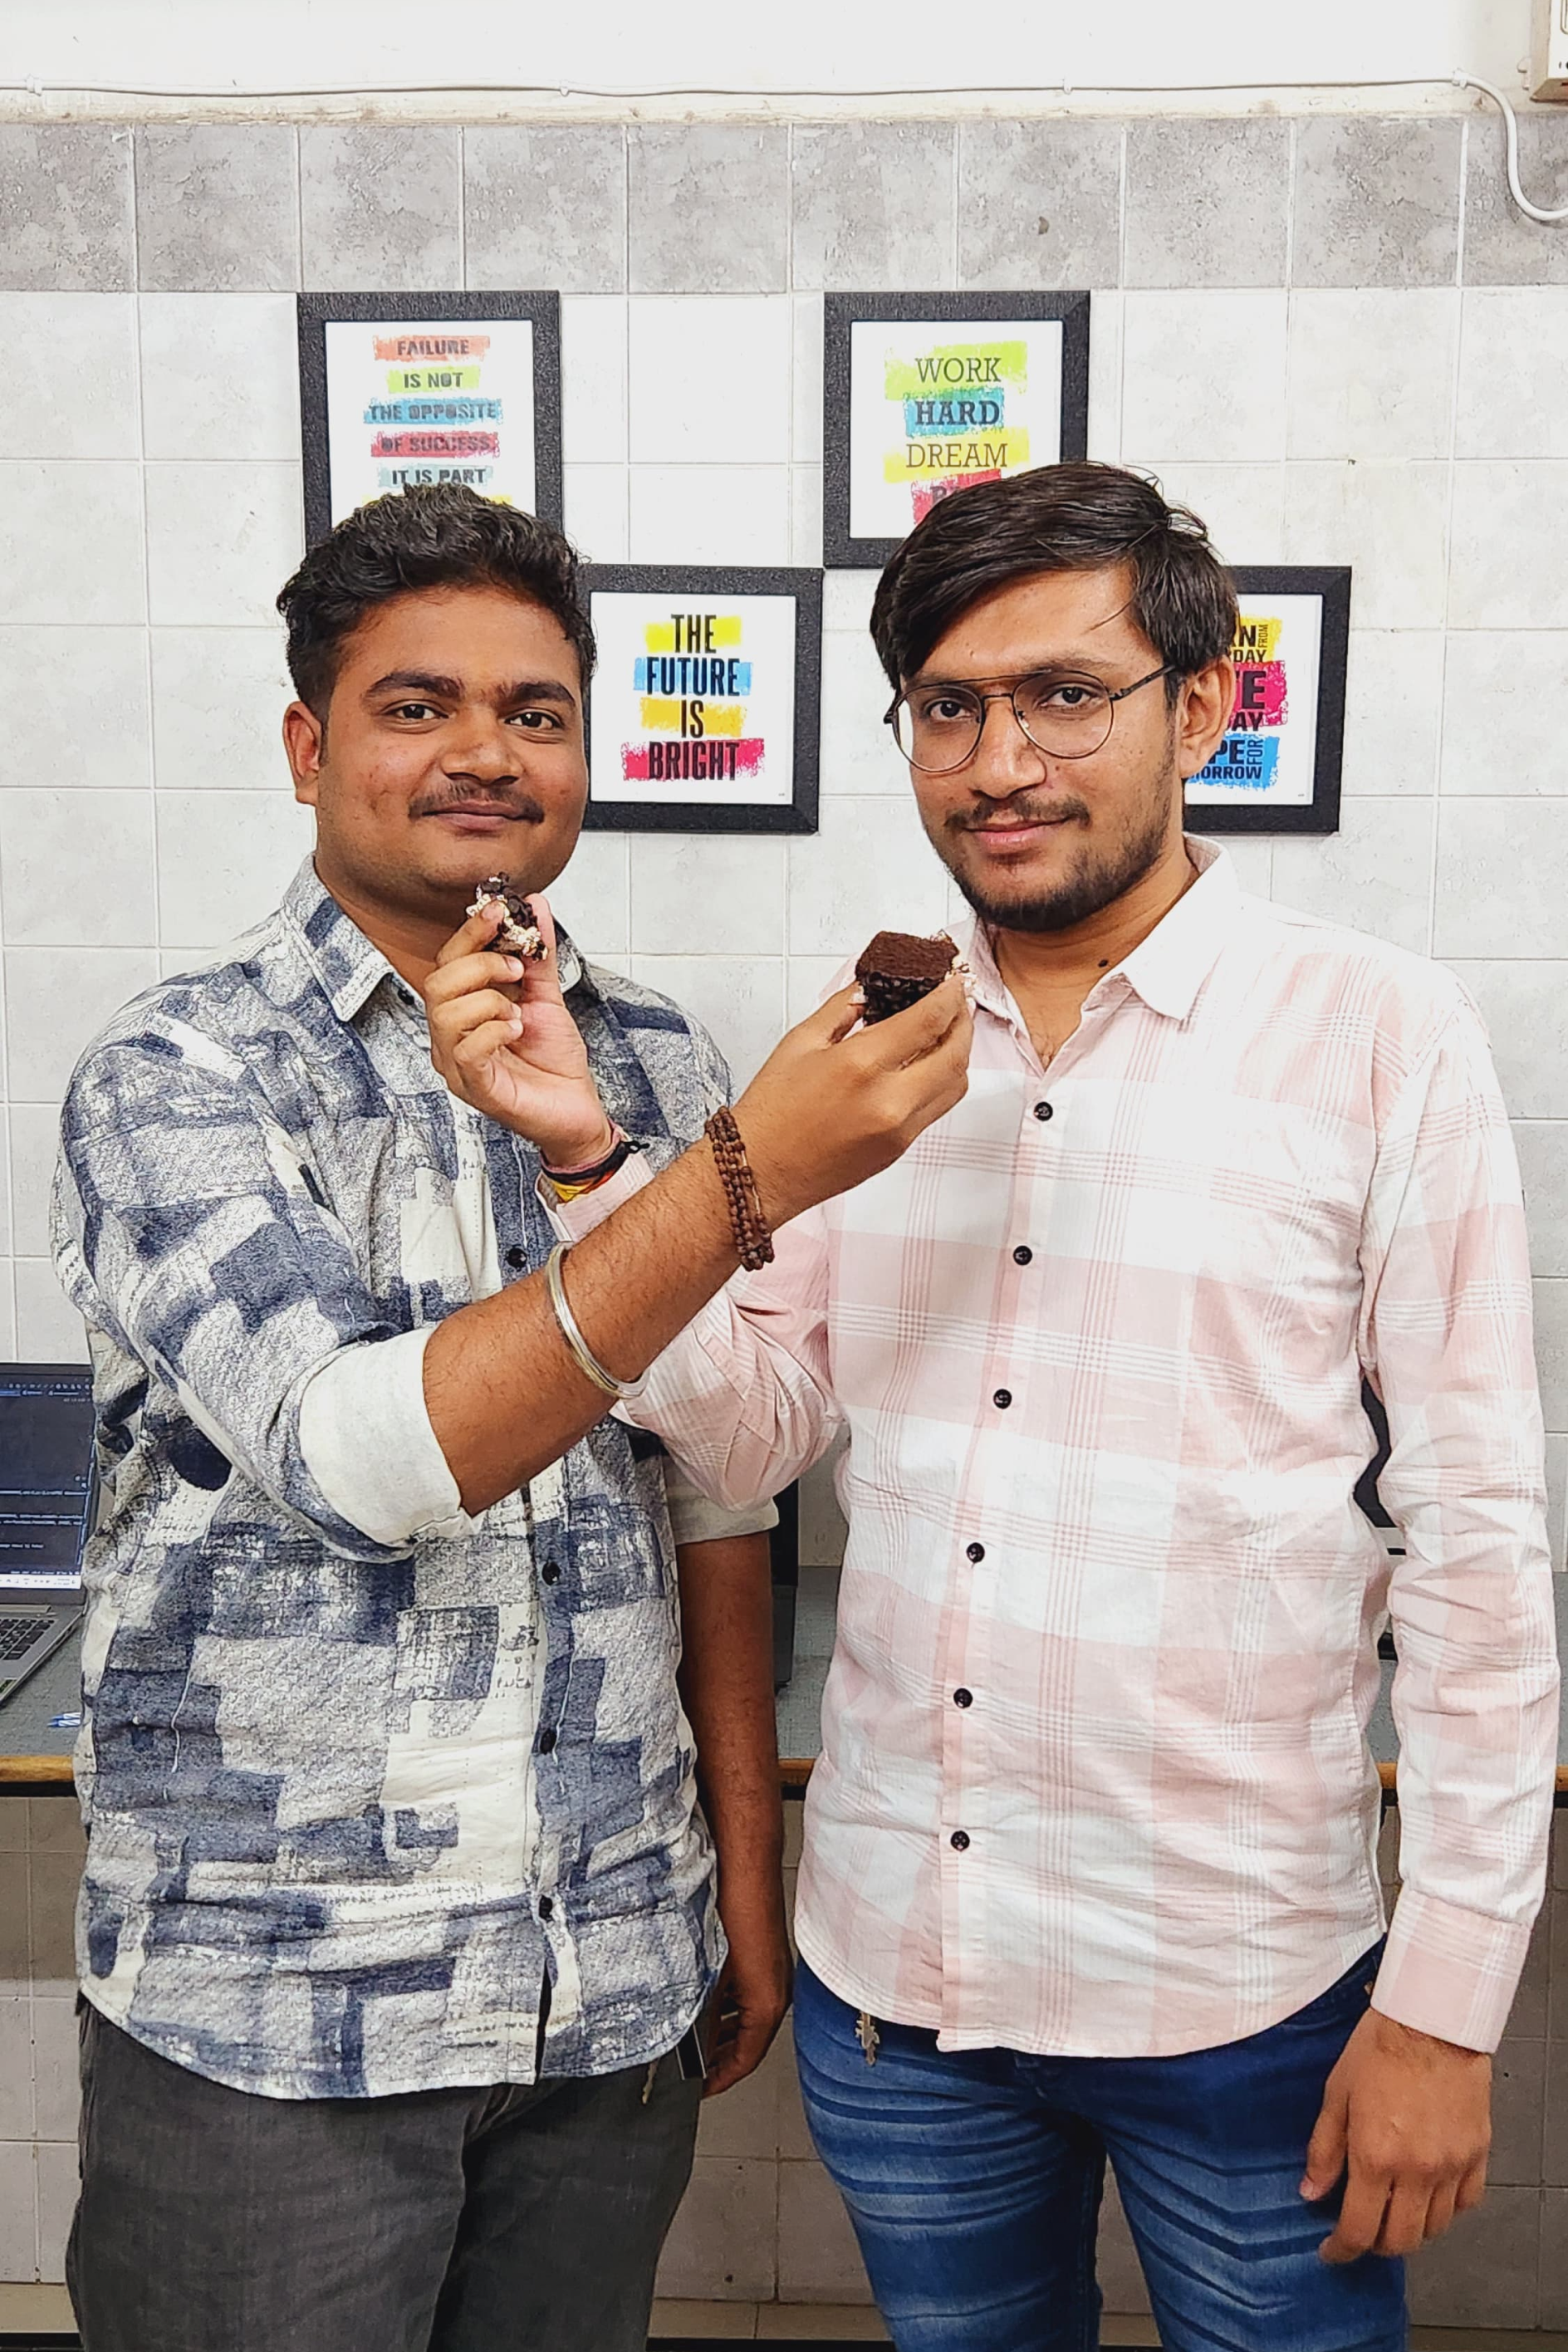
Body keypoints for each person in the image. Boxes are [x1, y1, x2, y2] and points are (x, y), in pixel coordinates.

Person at [427, 463, 1561, 2352]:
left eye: (1063, 695)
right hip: (903, 1995)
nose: (1000, 759)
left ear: (1197, 707)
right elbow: (752, 1433)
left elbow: (1477, 1545)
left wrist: (1440, 2004)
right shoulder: (864, 1058)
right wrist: (588, 1162)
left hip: (1241, 1989)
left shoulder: (1374, 1039)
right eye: (947, 709)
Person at [49, 483, 969, 2352]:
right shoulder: (177, 1073)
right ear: (310, 743)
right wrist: (737, 1179)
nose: (485, 751)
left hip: (604, 1983)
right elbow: (362, 1459)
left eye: (535, 712)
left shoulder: (651, 1060)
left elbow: (720, 1491)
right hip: (277, 2013)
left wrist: (733, 1861)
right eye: (417, 705)